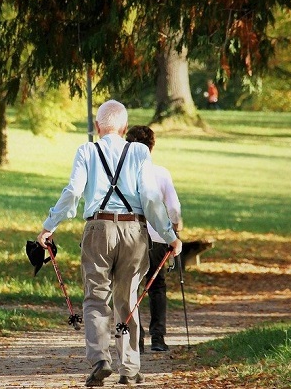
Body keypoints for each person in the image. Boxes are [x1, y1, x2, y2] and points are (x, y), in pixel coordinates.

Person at [37, 100, 183, 387]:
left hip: (98, 229)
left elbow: (73, 192)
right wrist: (170, 236)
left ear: (97, 127)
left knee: (95, 296)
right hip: (134, 230)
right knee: (127, 299)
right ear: (125, 128)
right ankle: (129, 368)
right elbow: (152, 199)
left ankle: (100, 359)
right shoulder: (140, 151)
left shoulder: (86, 150)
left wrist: (48, 227)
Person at [125, 125, 182, 353]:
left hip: (132, 235)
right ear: (152, 147)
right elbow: (174, 207)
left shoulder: (124, 174)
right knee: (157, 286)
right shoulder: (161, 173)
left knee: (132, 286)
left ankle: (135, 339)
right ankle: (158, 338)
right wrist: (175, 228)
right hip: (158, 236)